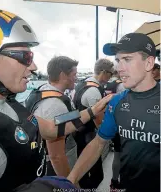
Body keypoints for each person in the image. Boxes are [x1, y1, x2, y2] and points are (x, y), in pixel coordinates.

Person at [0, 7, 112, 192]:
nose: (33, 66)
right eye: (25, 57)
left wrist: (94, 108)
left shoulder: (8, 103)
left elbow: (51, 127)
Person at [67, 33, 160, 192]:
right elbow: (98, 143)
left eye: (127, 59)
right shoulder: (117, 101)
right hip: (128, 185)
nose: (118, 68)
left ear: (149, 63)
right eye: (118, 60)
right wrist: (70, 180)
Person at [25, 56, 78, 177]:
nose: (76, 78)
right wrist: (69, 185)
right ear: (63, 75)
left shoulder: (42, 91)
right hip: (53, 167)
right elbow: (56, 156)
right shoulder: (55, 105)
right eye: (74, 74)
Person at [72, 58, 114, 189]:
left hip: (78, 132)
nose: (111, 77)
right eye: (111, 74)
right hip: (88, 135)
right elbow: (99, 120)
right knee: (96, 175)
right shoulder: (94, 91)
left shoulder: (82, 84)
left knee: (83, 168)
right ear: (103, 72)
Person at [103, 70, 125, 190]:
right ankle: (121, 181)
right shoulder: (123, 85)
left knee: (117, 155)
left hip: (111, 121)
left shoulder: (108, 85)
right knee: (124, 155)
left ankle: (114, 181)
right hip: (122, 124)